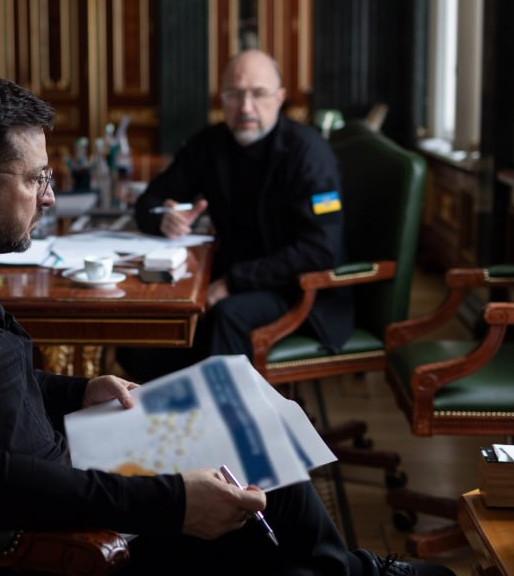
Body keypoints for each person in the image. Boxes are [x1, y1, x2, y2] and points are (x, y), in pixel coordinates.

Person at [0, 72, 459, 576]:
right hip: (24, 569)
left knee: (255, 462)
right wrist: (174, 503)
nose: (48, 196)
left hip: (54, 508)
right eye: (36, 179)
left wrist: (81, 390)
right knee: (275, 561)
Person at [121, 50, 352, 381]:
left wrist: (233, 282)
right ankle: (173, 411)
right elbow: (149, 200)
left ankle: (225, 413)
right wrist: (163, 219)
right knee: (139, 337)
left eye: (258, 94)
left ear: (279, 98)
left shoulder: (309, 153)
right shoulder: (210, 144)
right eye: (234, 94)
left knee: (226, 317)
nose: (245, 107)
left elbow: (320, 250)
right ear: (222, 99)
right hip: (226, 277)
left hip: (298, 291)